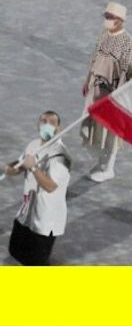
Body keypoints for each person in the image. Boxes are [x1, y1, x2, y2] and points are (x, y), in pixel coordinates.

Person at [4, 111, 71, 265]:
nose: (46, 125)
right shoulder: (33, 144)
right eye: (43, 121)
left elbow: (50, 186)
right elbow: (21, 165)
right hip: (27, 210)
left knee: (35, 263)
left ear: (58, 128)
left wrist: (33, 167)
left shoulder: (62, 156)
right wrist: (12, 168)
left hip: (46, 217)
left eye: (51, 122)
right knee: (15, 252)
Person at [81, 2, 132, 182]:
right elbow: (94, 59)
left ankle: (110, 167)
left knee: (111, 130)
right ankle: (101, 163)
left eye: (110, 17)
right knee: (96, 127)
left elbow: (130, 72)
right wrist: (87, 80)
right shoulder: (103, 35)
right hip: (96, 89)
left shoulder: (128, 43)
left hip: (114, 93)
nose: (107, 20)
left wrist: (120, 94)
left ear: (120, 20)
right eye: (106, 16)